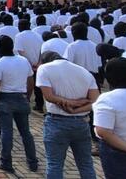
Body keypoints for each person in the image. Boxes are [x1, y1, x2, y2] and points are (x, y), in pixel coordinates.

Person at [36, 51, 99, 179]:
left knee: (55, 164)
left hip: (57, 122)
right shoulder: (84, 71)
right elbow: (95, 101)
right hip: (81, 122)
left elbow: (49, 97)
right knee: (86, 164)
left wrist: (70, 104)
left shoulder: (44, 68)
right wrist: (77, 108)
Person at [0, 35, 38, 173]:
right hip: (21, 98)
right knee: (26, 133)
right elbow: (30, 81)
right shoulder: (24, 61)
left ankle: (6, 162)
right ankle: (32, 162)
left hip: (5, 100)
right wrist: (27, 97)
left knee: (6, 132)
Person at [14, 19, 44, 112]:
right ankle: (39, 105)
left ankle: (23, 103)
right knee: (37, 86)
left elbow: (20, 51)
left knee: (23, 85)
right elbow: (42, 50)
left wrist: (29, 63)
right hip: (37, 65)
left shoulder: (19, 36)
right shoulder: (38, 35)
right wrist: (38, 63)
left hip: (25, 65)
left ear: (19, 27)